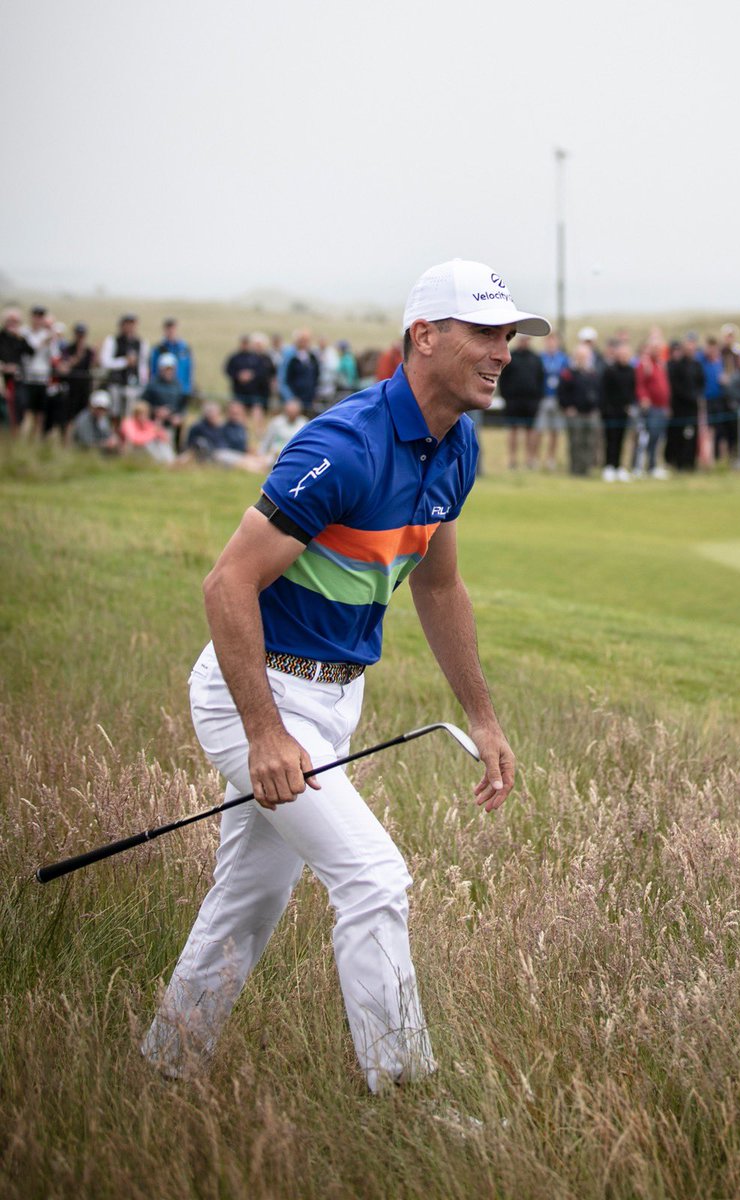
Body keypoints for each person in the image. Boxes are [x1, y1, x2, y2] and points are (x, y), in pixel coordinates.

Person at [141, 257, 546, 1091]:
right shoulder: (344, 446)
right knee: (375, 880)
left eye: (510, 334)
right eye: (484, 332)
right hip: (255, 694)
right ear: (424, 337)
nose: (503, 349)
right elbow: (227, 584)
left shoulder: (455, 444)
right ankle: (404, 1095)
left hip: (333, 701)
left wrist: (483, 715)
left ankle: (166, 1068)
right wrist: (264, 733)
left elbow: (438, 583)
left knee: (247, 901)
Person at [498, 334, 544, 469]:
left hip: (531, 401)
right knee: (513, 429)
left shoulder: (536, 358)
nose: (524, 342)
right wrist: (506, 396)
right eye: (522, 339)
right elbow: (503, 379)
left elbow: (540, 379)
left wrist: (537, 398)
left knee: (530, 431)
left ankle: (530, 459)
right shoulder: (510, 357)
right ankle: (512, 460)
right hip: (513, 400)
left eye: (526, 340)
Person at [558, 343, 601, 476]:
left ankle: (586, 468)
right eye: (580, 356)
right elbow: (562, 393)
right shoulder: (568, 373)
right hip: (575, 414)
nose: (583, 358)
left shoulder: (592, 373)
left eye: (585, 356)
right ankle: (575, 469)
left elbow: (599, 392)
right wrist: (567, 407)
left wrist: (596, 408)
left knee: (589, 442)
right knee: (575, 442)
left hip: (590, 413)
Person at [633, 333, 671, 478]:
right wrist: (644, 398)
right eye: (654, 347)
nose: (657, 350)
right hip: (650, 408)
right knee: (645, 438)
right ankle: (639, 467)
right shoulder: (645, 364)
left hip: (661, 408)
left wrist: (667, 405)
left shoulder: (660, 364)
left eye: (659, 347)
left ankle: (653, 466)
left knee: (658, 438)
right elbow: (640, 384)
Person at [666, 333, 705, 471]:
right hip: (680, 407)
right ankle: (679, 463)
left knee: (692, 436)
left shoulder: (697, 365)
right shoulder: (677, 365)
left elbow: (701, 382)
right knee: (679, 435)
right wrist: (689, 396)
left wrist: (696, 396)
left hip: (693, 407)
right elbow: (675, 386)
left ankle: (691, 463)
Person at [100, 314, 149, 422]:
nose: (130, 327)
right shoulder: (113, 341)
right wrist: (124, 361)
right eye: (127, 324)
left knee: (129, 412)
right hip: (115, 382)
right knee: (114, 411)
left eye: (132, 324)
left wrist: (143, 382)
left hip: (132, 383)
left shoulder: (140, 343)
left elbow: (143, 365)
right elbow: (105, 362)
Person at [20, 305, 60, 438]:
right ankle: (22, 439)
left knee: (39, 413)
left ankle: (35, 440)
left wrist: (52, 339)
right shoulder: (24, 333)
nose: (38, 319)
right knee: (26, 411)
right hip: (27, 377)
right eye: (36, 316)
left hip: (42, 378)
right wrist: (44, 342)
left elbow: (54, 356)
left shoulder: (48, 335)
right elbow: (28, 352)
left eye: (41, 316)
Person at [600, 340, 635, 481]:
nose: (624, 357)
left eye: (626, 354)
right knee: (610, 440)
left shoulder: (631, 370)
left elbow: (632, 390)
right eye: (621, 354)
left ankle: (619, 466)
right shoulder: (610, 370)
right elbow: (603, 391)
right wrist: (606, 408)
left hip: (624, 411)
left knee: (621, 439)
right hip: (610, 412)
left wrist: (630, 405)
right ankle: (609, 466)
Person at [534, 331, 569, 470]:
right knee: (539, 429)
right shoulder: (540, 358)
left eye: (554, 341)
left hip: (557, 398)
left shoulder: (563, 359)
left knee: (555, 431)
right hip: (543, 398)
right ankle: (536, 458)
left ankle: (551, 459)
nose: (551, 344)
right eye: (549, 341)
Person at [56, 323, 96, 435]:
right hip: (70, 387)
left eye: (82, 334)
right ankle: (66, 440)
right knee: (68, 416)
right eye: (78, 334)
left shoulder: (89, 351)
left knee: (82, 415)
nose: (80, 337)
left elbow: (94, 367)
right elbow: (63, 368)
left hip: (84, 387)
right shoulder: (67, 349)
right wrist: (77, 357)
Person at [143, 352, 188, 449]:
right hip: (154, 420)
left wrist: (178, 415)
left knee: (179, 425)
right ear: (161, 369)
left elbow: (182, 406)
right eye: (166, 369)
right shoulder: (152, 385)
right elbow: (143, 404)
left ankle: (177, 450)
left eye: (171, 369)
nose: (169, 372)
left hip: (171, 420)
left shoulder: (177, 385)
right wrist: (155, 410)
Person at [149, 318, 194, 411]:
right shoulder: (159, 349)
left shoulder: (184, 349)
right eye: (168, 329)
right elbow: (153, 369)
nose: (171, 331)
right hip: (162, 390)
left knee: (179, 416)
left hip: (181, 389)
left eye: (173, 329)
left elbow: (189, 369)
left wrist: (188, 388)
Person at [0, 308, 29, 430]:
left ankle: (15, 432)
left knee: (20, 405)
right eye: (10, 321)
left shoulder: (20, 339)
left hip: (17, 379)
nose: (12, 324)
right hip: (2, 378)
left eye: (15, 321)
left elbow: (31, 351)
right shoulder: (1, 337)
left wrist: (21, 337)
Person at [260, 396, 308, 467]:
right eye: (289, 411)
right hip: (274, 455)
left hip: (295, 456)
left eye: (294, 411)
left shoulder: (304, 423)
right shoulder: (276, 422)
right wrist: (261, 454)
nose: (291, 413)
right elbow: (267, 440)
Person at [284, 329, 320, 414]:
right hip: (296, 400)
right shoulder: (292, 358)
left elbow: (316, 376)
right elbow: (287, 379)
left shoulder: (312, 358)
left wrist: (315, 395)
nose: (304, 343)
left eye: (306, 341)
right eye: (301, 340)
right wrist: (291, 397)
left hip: (310, 399)